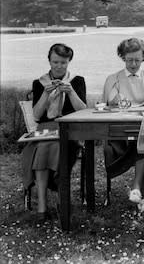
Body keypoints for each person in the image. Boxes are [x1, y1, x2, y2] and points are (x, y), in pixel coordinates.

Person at [21, 43, 87, 222]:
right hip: (45, 129)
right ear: (49, 61)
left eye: (63, 63)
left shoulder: (77, 80)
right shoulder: (39, 82)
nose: (59, 66)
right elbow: (36, 116)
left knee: (56, 146)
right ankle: (42, 204)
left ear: (69, 62)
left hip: (70, 129)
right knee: (44, 146)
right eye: (55, 62)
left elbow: (83, 112)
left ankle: (60, 199)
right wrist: (44, 94)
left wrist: (71, 92)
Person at [103, 38, 144, 213]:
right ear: (123, 58)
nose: (133, 64)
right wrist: (114, 101)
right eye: (129, 60)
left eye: (137, 59)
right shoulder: (113, 79)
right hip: (119, 134)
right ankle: (142, 195)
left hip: (143, 130)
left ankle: (138, 189)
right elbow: (108, 104)